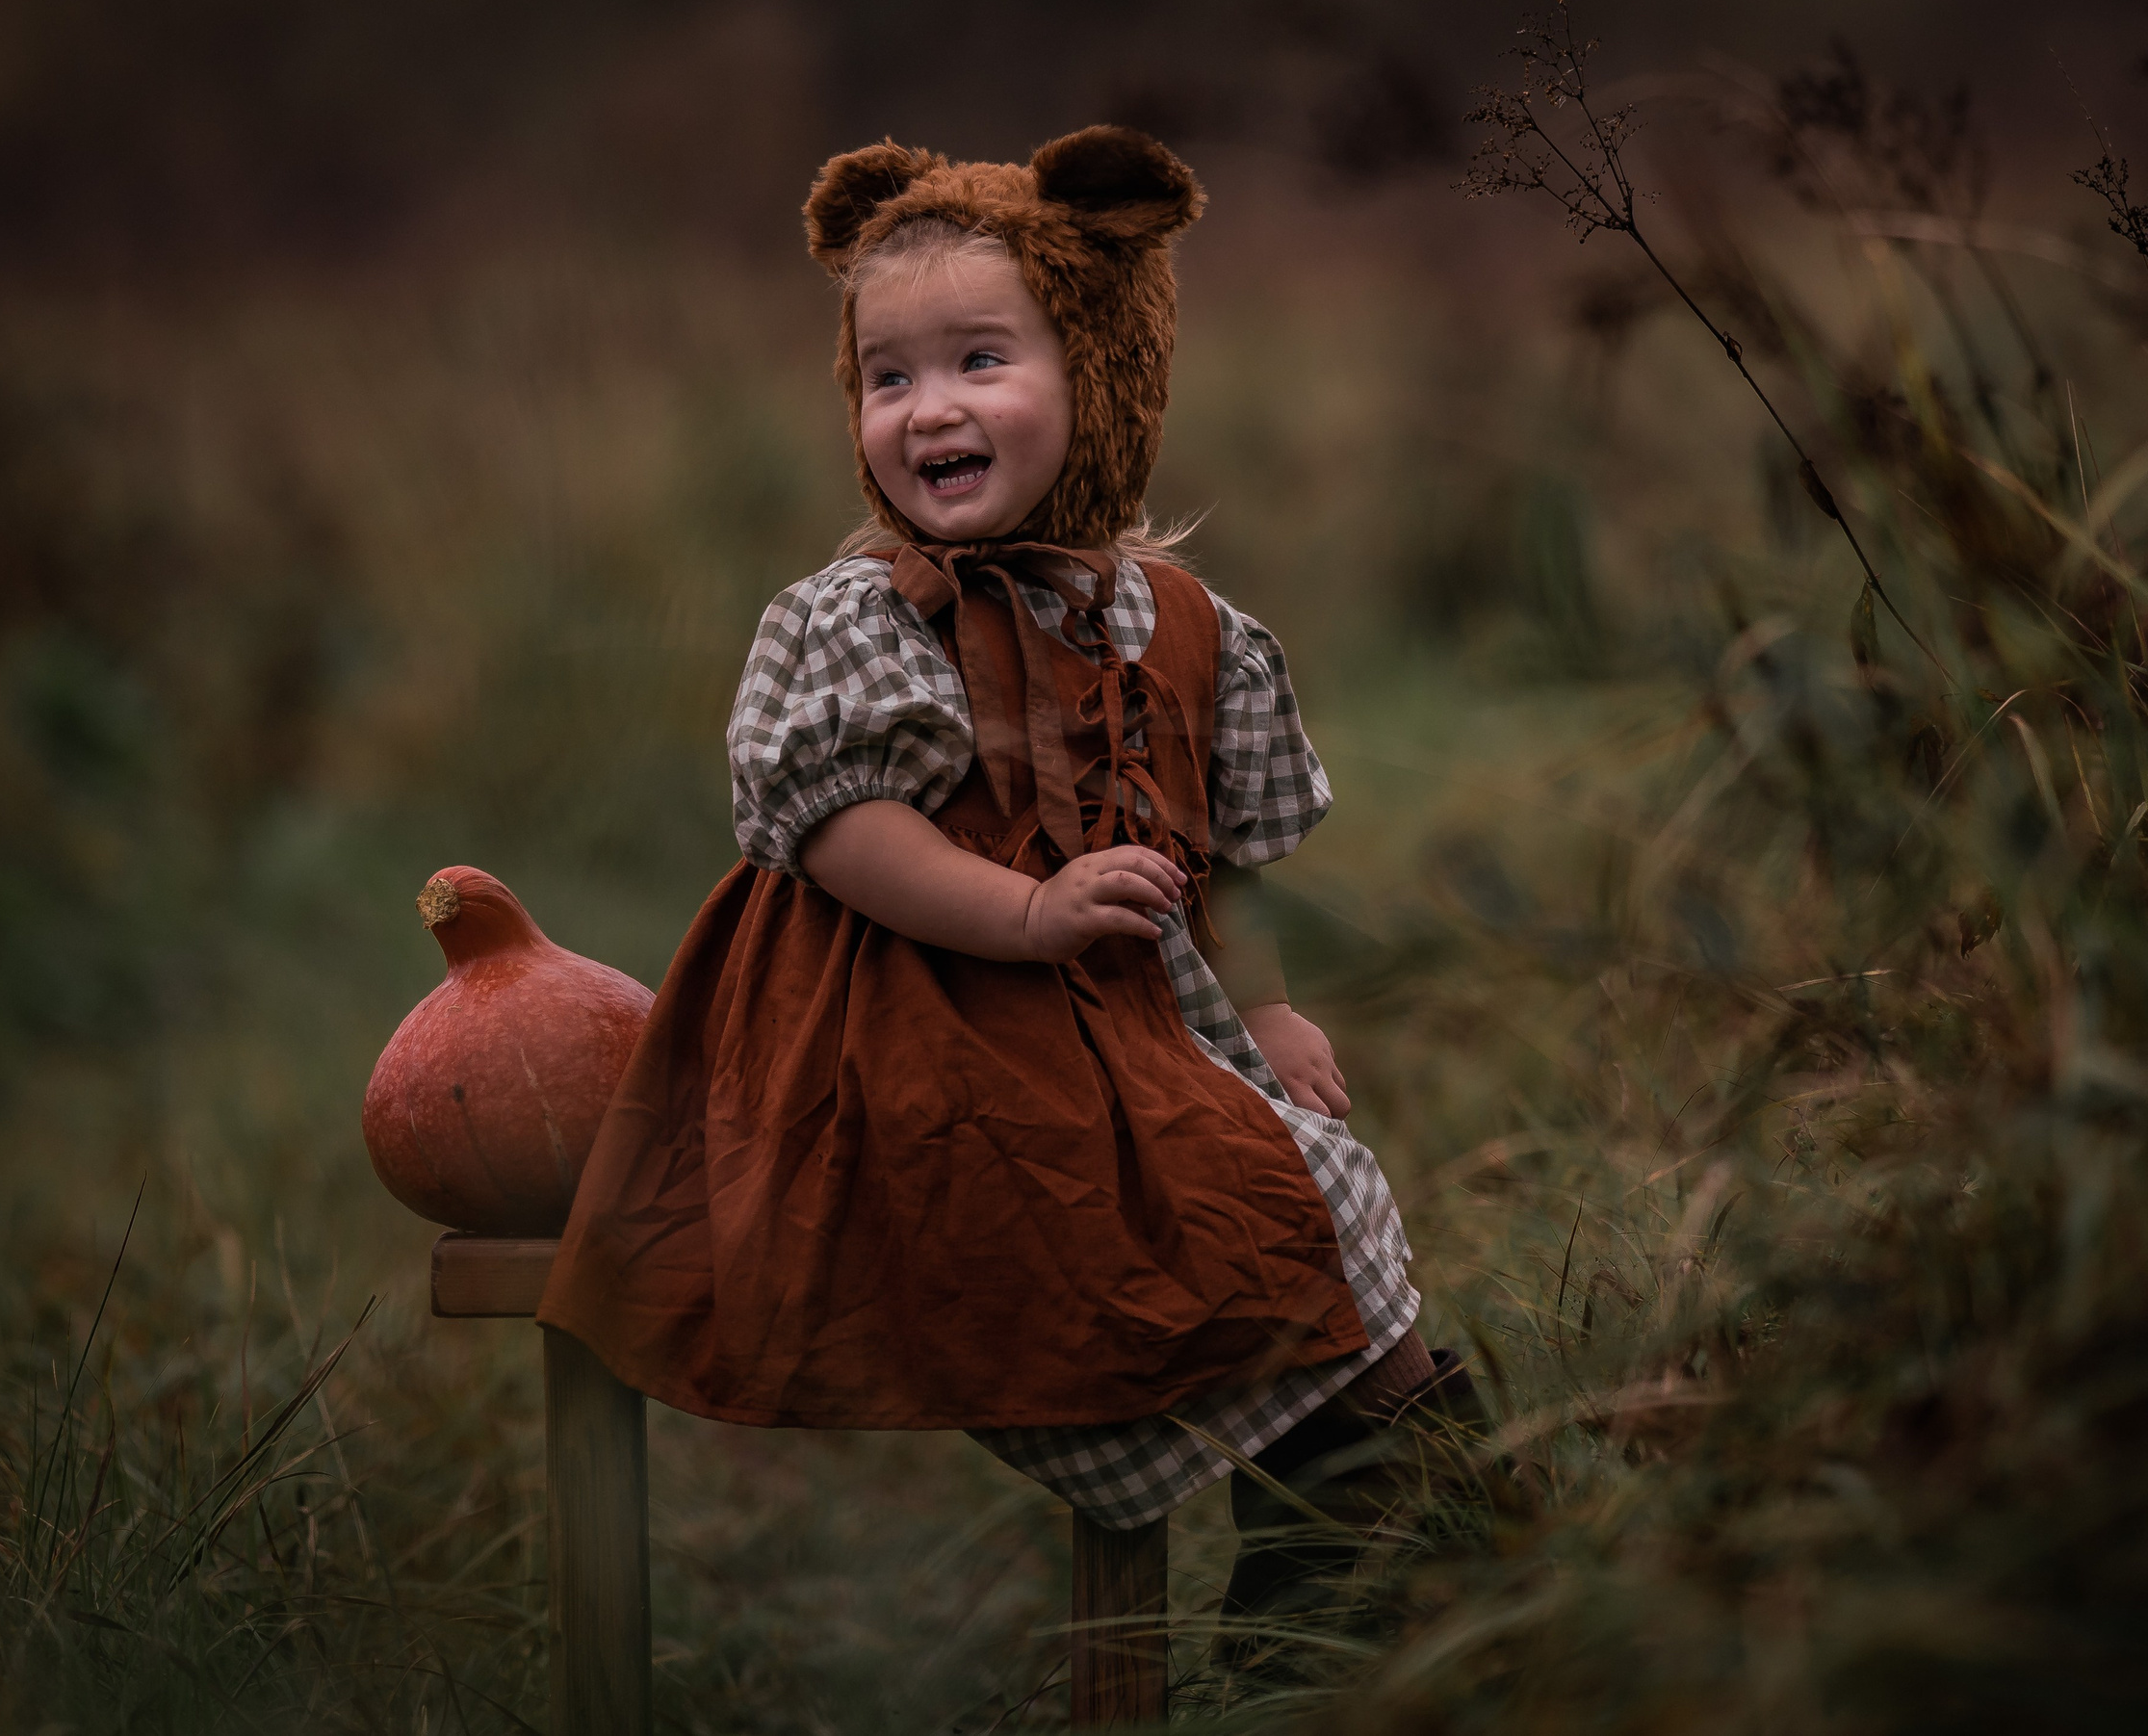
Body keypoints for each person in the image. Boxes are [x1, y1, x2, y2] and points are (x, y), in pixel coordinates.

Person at [540, 126, 1473, 1620]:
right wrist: (1030, 911)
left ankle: (1372, 1553)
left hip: (1131, 1020)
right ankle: (1384, 1543)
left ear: (1103, 366)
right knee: (1165, 1211)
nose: (931, 410)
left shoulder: (1183, 625)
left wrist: (1270, 1013)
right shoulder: (856, 621)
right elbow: (847, 835)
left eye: (982, 359)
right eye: (889, 376)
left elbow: (1215, 855)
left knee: (1313, 1185)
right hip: (916, 1013)